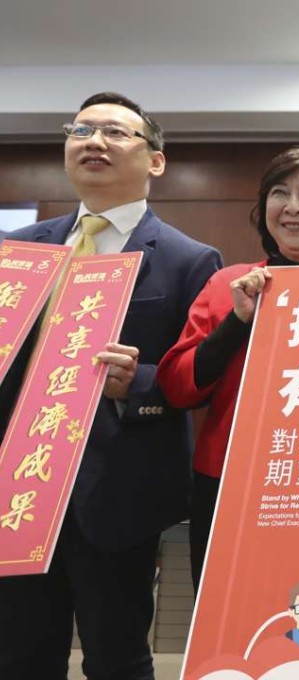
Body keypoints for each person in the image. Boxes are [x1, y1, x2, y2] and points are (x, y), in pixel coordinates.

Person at [0, 92, 222, 680]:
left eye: (116, 133)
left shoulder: (189, 259)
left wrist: (138, 381)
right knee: (19, 654)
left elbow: (195, 376)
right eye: (81, 130)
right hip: (20, 487)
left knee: (118, 655)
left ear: (155, 160)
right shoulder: (18, 251)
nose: (94, 142)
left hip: (119, 489)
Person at [156, 145, 299, 593]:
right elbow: (177, 387)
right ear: (264, 210)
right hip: (229, 485)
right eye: (279, 194)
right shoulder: (229, 283)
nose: (293, 207)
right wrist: (238, 320)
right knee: (225, 619)